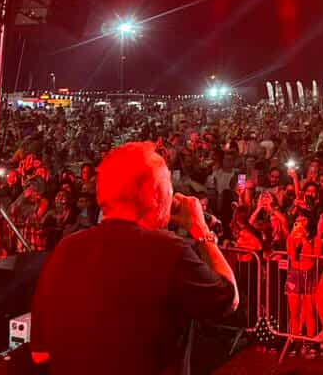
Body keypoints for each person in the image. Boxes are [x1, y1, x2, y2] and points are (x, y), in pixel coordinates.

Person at [30, 142, 238, 375]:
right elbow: (228, 299)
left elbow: (40, 354)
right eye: (169, 186)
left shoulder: (65, 250)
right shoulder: (169, 251)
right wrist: (201, 230)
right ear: (155, 194)